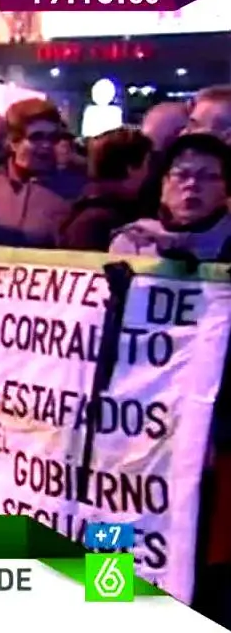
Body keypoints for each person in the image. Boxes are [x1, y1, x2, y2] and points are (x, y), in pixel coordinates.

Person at [106, 133, 231, 627]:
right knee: (114, 524)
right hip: (126, 427)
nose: (191, 186)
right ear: (161, 186)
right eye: (180, 174)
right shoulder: (126, 243)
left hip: (210, 439)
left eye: (207, 176)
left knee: (194, 552)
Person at [0, 98, 84, 248]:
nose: (46, 145)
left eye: (52, 138)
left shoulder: (76, 191)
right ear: (13, 142)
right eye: (36, 137)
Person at [59, 127, 154, 251]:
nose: (149, 172)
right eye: (147, 164)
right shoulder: (92, 223)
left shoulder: (107, 211)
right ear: (130, 168)